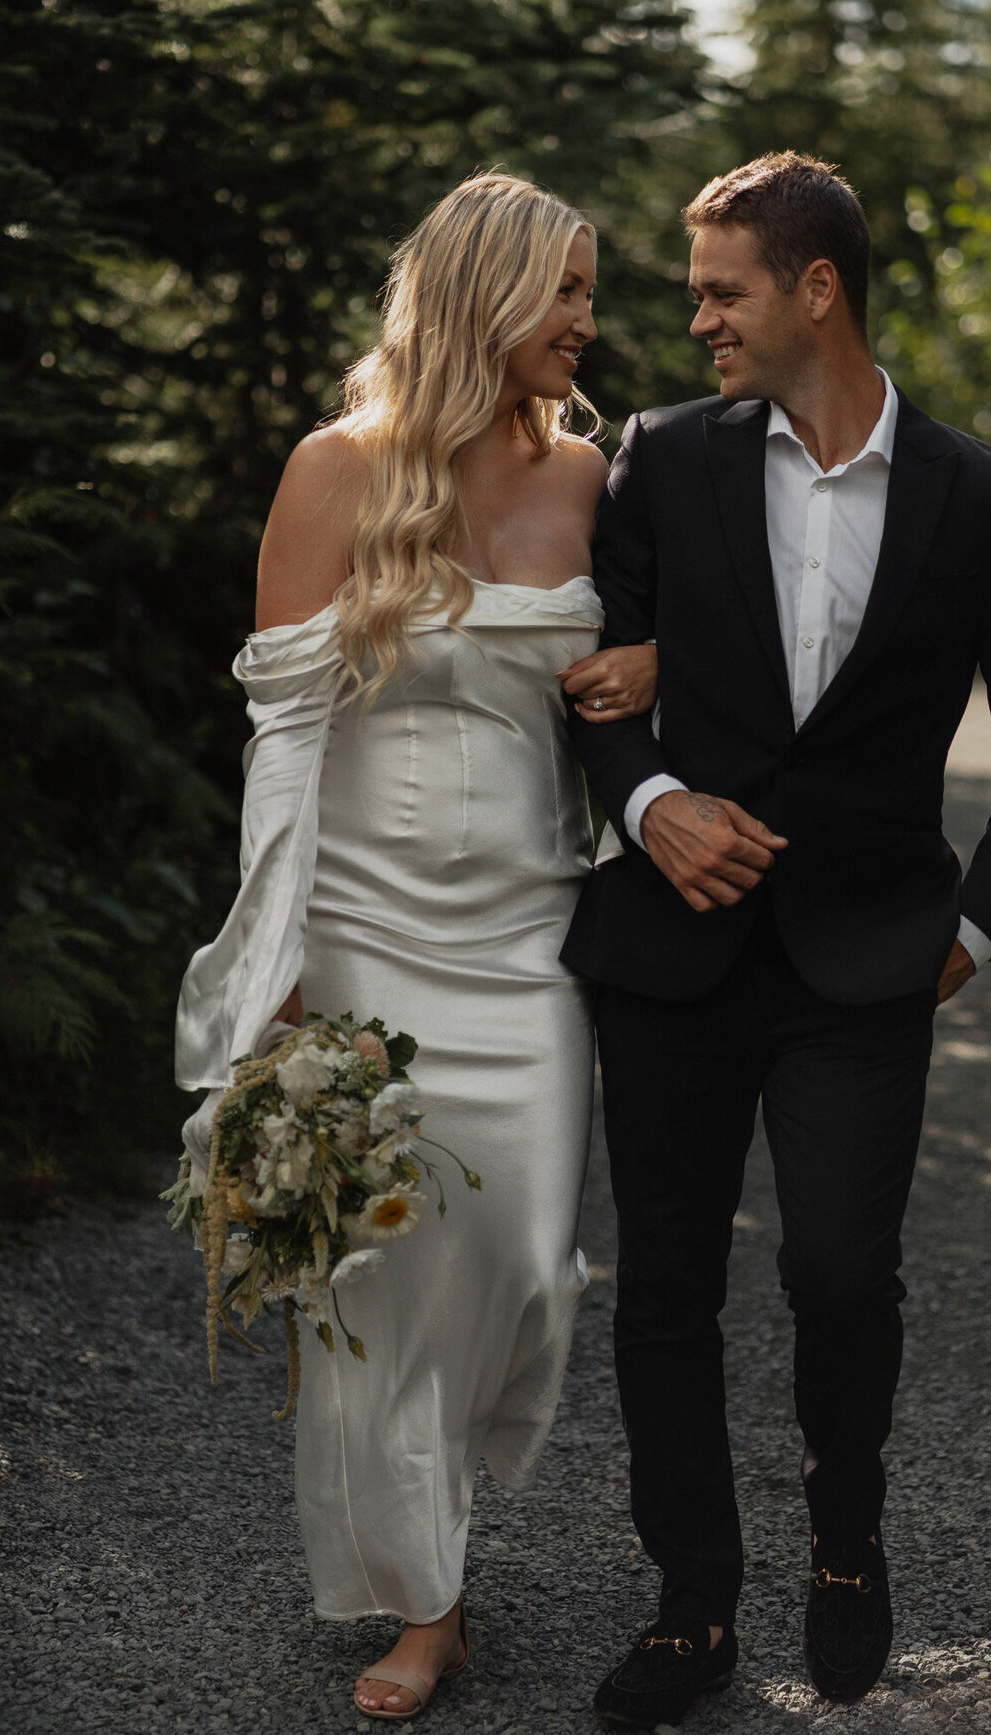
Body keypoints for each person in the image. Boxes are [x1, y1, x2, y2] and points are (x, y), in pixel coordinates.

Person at [564, 151, 991, 1728]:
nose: (698, 320)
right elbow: (591, 682)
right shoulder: (661, 457)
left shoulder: (983, 494)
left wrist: (979, 931)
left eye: (722, 290)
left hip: (870, 960)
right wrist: (651, 794)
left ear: (817, 289)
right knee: (663, 1286)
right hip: (671, 944)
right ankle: (692, 1607)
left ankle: (847, 1546)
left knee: (842, 1273)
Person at [174, 173, 657, 1721]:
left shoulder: (594, 483)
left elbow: (662, 675)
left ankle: (440, 1503)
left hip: (533, 928)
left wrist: (652, 660)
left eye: (591, 292)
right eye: (566, 294)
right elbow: (285, 736)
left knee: (524, 1258)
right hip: (367, 926)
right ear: (483, 296)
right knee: (385, 1269)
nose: (589, 321)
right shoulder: (338, 471)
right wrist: (277, 955)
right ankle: (424, 1598)